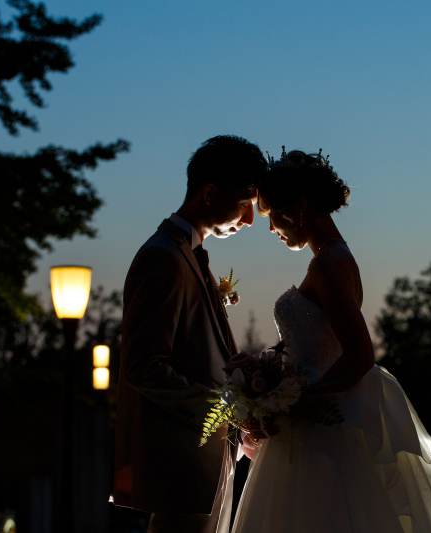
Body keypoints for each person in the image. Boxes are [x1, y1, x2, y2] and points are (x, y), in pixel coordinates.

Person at [231, 148, 431, 533]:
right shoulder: (333, 258)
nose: (272, 228)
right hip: (315, 417)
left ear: (300, 206)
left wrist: (299, 402)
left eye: (273, 214)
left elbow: (359, 355)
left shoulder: (329, 263)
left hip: (320, 427)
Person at [112, 135, 266, 533]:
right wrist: (224, 416)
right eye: (246, 203)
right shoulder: (163, 258)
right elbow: (144, 366)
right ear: (210, 191)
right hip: (182, 467)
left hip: (207, 463)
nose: (249, 220)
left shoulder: (186, 254)